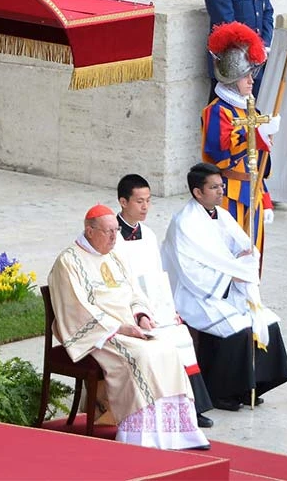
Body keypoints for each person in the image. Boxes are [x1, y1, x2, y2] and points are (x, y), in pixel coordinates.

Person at [48, 204, 209, 450]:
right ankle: (141, 435)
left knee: (169, 349)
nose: (114, 237)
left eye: (116, 231)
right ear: (90, 231)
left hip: (132, 328)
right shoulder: (68, 262)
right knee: (142, 356)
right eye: (108, 231)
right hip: (101, 334)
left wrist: (141, 315)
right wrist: (121, 328)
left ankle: (176, 433)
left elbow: (134, 293)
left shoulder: (114, 257)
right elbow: (76, 309)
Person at [161, 163, 287, 411]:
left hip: (228, 288)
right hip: (197, 294)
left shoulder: (221, 214)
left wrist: (245, 260)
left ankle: (251, 386)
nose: (221, 191)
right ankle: (221, 393)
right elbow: (191, 273)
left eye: (221, 186)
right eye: (214, 187)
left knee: (266, 321)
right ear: (197, 193)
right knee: (239, 328)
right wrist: (231, 277)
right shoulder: (185, 223)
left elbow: (243, 247)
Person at [112, 174, 215, 428]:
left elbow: (157, 275)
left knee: (182, 335)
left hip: (154, 304)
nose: (145, 207)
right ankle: (167, 405)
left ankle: (193, 406)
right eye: (139, 201)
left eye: (148, 201)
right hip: (127, 309)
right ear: (123, 202)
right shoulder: (111, 236)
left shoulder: (147, 234)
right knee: (166, 340)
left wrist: (170, 309)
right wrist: (139, 313)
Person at [202, 21, 281, 258]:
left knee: (253, 255)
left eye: (252, 75)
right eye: (246, 76)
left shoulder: (252, 111)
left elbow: (258, 161)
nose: (251, 81)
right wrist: (257, 133)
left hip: (253, 192)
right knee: (230, 255)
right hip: (226, 194)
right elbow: (220, 152)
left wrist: (265, 199)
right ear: (230, 77)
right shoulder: (217, 111)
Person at [204, 0, 273, 97]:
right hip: (232, 66)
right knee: (225, 113)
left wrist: (263, 47)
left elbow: (267, 13)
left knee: (254, 111)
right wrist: (254, 49)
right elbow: (227, 25)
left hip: (257, 63)